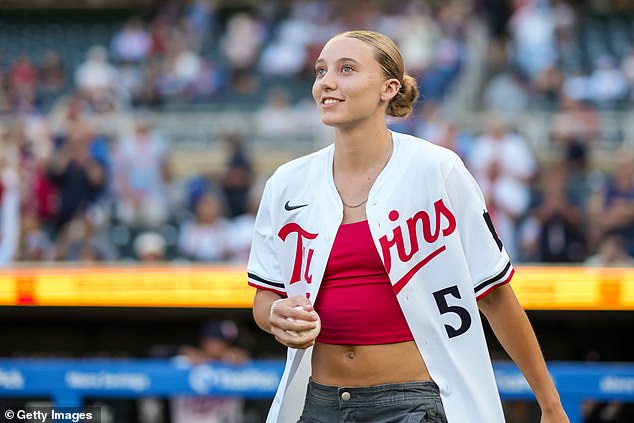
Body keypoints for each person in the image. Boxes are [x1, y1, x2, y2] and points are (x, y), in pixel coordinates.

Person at [247, 30, 569, 423]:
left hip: (413, 403)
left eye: (346, 69)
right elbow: (265, 298)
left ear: (389, 88)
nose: (326, 81)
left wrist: (549, 403)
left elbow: (495, 295)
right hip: (319, 403)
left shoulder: (438, 169)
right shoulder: (285, 182)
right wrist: (276, 314)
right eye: (320, 71)